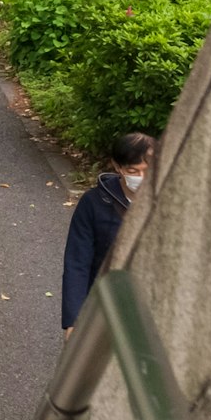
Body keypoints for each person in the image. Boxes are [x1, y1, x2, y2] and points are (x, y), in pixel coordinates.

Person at [61, 132, 156, 328]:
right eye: (133, 171)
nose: (141, 178)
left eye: (148, 171)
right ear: (117, 166)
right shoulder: (94, 203)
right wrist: (73, 321)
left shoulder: (168, 201)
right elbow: (77, 263)